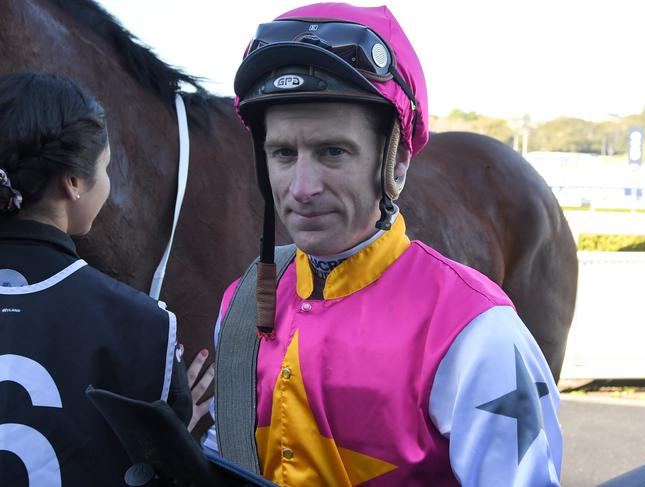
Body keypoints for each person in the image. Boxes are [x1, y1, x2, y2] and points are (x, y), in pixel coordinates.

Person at [204, 4, 562, 486]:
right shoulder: (240, 303)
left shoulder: (477, 332)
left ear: (395, 164)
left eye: (333, 151)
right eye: (284, 154)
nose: (302, 187)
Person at [0, 71, 195, 486]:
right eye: (106, 167)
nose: (107, 182)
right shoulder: (146, 326)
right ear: (72, 183)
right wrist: (179, 420)